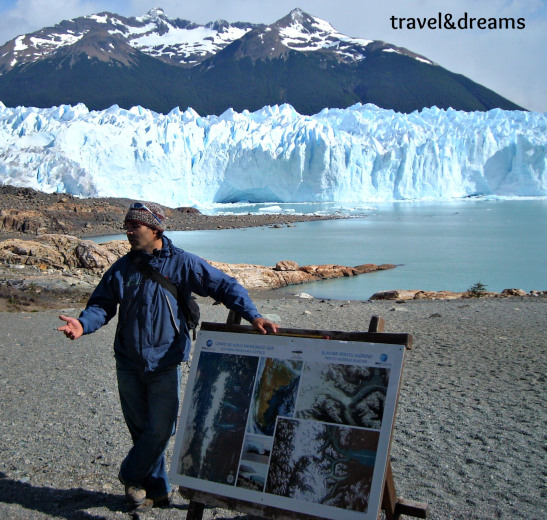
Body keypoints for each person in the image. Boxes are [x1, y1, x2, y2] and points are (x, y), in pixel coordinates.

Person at [57, 201, 278, 512]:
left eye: (135, 226)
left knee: (162, 429)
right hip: (129, 363)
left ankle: (130, 474)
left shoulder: (182, 264)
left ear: (155, 229)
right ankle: (158, 492)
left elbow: (225, 286)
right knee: (143, 432)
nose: (128, 231)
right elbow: (102, 306)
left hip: (165, 362)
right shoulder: (123, 268)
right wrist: (83, 324)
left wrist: (253, 316)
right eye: (128, 225)